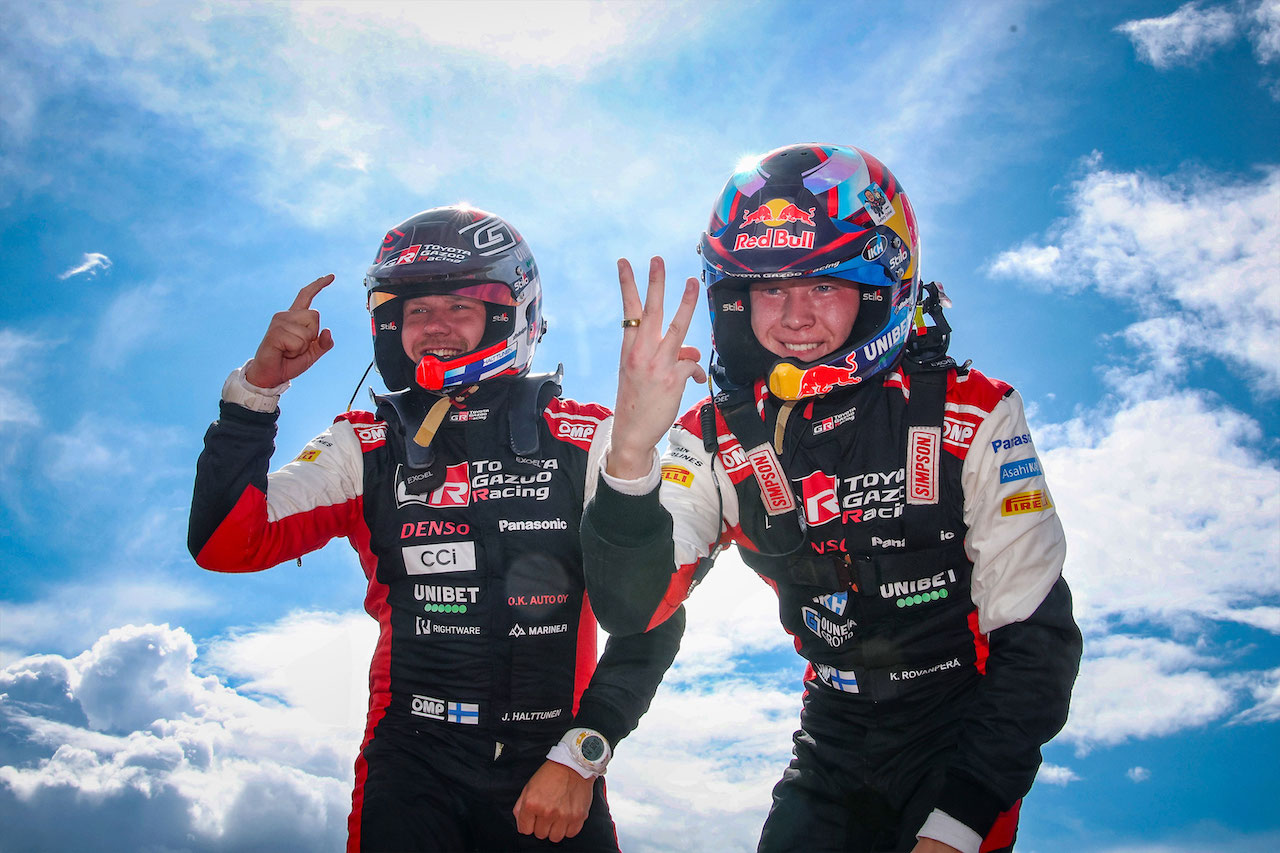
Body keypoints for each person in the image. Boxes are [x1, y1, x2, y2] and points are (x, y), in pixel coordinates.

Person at [580, 144, 1082, 853]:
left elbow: (1037, 644)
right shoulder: (710, 435)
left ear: (881, 288)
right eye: (770, 289)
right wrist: (630, 454)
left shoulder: (973, 412)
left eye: (823, 285)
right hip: (831, 736)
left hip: (960, 735)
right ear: (734, 299)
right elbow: (633, 609)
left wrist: (958, 822)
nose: (794, 317)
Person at [189, 205, 684, 852]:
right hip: (410, 769)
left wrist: (582, 753)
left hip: (553, 768)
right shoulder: (362, 445)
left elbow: (657, 610)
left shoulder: (588, 438)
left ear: (511, 314)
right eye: (417, 310)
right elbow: (227, 544)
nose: (434, 326)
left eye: (460, 306)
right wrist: (256, 393)